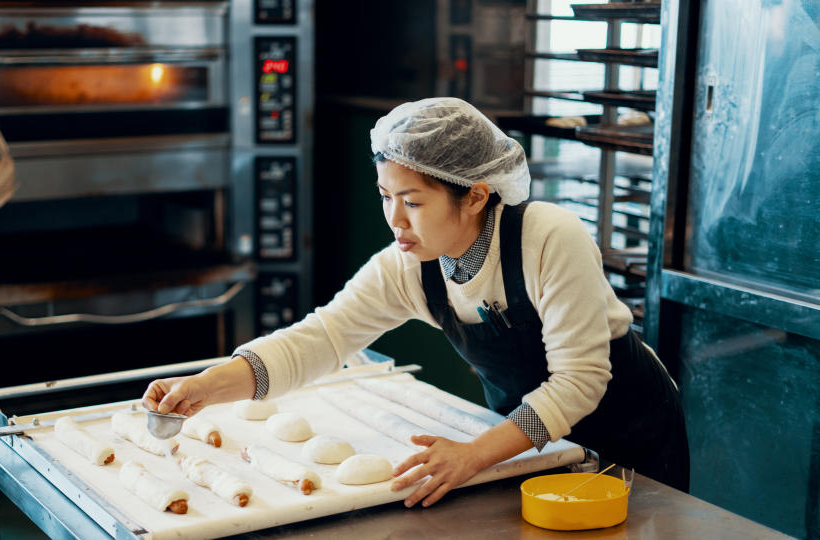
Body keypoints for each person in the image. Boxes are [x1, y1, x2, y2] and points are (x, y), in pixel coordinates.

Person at [142, 97, 689, 507]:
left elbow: (580, 381)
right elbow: (322, 339)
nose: (395, 220)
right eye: (385, 197)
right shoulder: (411, 265)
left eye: (413, 201)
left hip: (631, 442)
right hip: (528, 446)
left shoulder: (549, 238)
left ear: (474, 194)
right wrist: (205, 387)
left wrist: (473, 453)